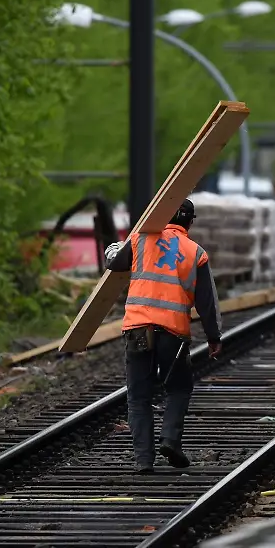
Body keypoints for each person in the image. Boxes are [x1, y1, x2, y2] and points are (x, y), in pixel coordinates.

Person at [104, 199, 223, 473]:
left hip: (137, 329)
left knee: (138, 396)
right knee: (179, 388)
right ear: (190, 222)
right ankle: (170, 440)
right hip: (173, 331)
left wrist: (113, 246)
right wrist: (214, 337)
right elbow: (207, 302)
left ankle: (144, 460)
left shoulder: (140, 239)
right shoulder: (195, 253)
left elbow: (114, 261)